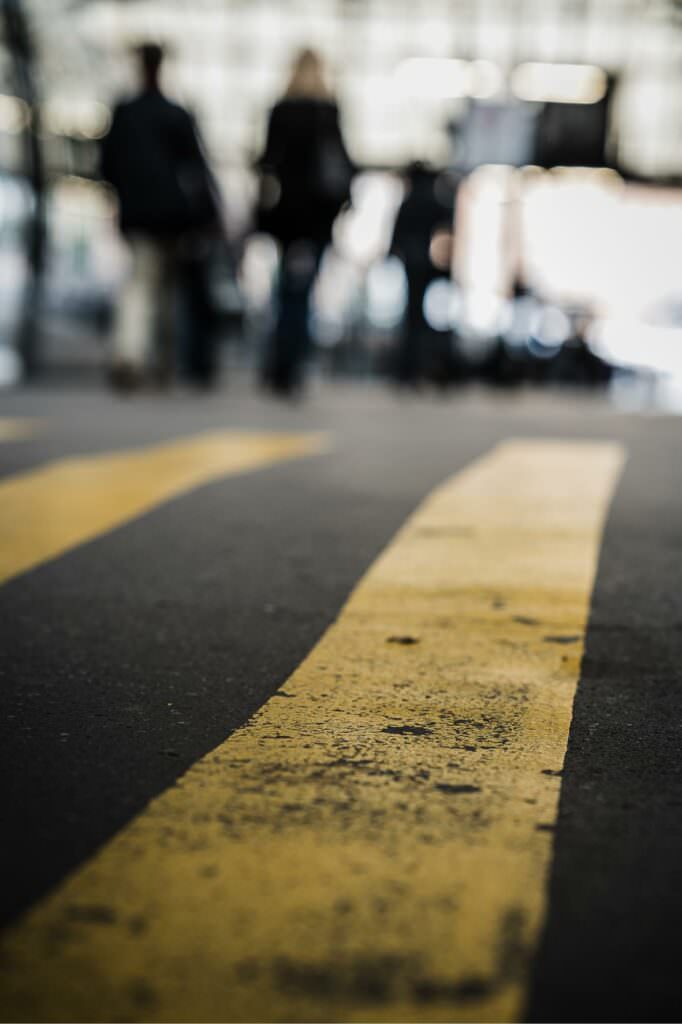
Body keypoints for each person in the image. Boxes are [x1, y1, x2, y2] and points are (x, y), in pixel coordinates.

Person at [100, 43, 222, 391]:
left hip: (138, 214)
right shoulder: (177, 114)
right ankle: (164, 365)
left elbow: (106, 167)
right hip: (174, 218)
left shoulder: (125, 113)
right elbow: (197, 171)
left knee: (140, 283)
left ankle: (130, 354)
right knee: (168, 289)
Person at [256, 48, 354, 395]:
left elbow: (267, 163)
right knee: (303, 294)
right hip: (316, 220)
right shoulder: (327, 113)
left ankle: (278, 364)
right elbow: (343, 165)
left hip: (286, 219)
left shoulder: (280, 111)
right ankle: (292, 365)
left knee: (285, 292)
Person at [390, 162, 457, 387]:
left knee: (414, 318)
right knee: (431, 320)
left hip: (415, 265)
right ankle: (428, 368)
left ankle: (410, 370)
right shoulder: (436, 200)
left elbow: (396, 238)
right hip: (430, 268)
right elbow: (447, 231)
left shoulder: (410, 201)